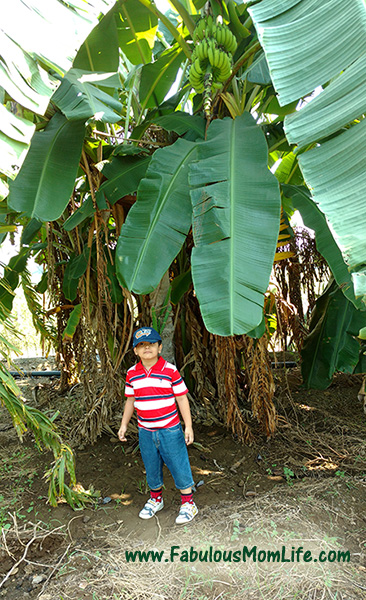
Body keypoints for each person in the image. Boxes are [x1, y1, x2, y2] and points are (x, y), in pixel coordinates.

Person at [118, 326, 198, 524]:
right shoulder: (131, 374)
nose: (147, 348)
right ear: (135, 351)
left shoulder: (169, 370)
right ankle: (156, 499)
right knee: (151, 465)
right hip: (145, 430)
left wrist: (188, 426)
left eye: (151, 344)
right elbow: (130, 400)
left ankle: (188, 503)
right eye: (141, 345)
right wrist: (124, 425)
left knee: (178, 464)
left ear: (160, 348)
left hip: (170, 429)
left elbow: (181, 398)